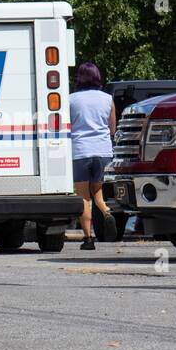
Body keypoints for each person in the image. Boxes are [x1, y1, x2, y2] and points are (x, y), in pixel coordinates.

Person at [68, 62, 116, 250]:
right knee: (98, 194)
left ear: (79, 77)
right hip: (103, 152)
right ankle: (106, 212)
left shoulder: (71, 100)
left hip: (81, 151)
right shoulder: (107, 99)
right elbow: (112, 128)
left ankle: (88, 239)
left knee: (83, 198)